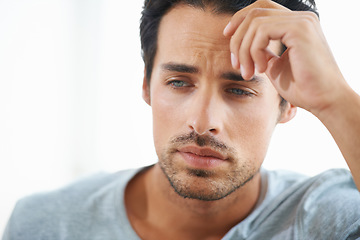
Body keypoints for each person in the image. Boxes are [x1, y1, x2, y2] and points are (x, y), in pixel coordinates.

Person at [3, 0, 360, 239]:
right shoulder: (45, 225)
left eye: (238, 90)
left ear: (287, 105)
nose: (202, 122)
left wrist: (334, 99)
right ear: (146, 85)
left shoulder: (324, 219)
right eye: (178, 82)